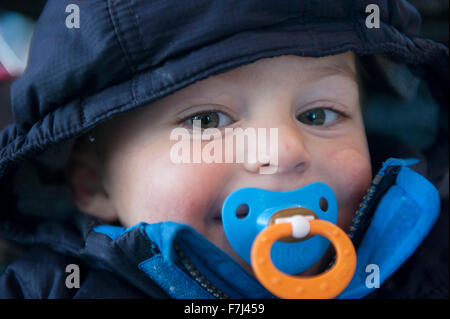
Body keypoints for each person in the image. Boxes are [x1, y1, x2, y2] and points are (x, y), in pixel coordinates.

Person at [0, 0, 447, 299]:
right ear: (94, 183)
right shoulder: (53, 291)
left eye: (318, 115)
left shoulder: (426, 264)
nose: (286, 150)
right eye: (206, 121)